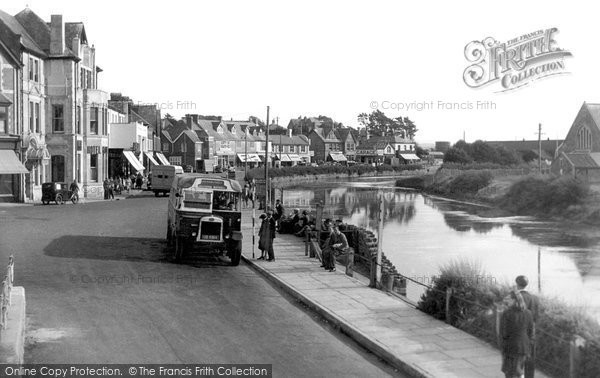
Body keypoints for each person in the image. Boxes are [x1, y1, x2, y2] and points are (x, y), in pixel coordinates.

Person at [500, 290, 534, 378]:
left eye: (509, 299)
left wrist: (502, 345)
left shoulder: (507, 313)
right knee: (517, 368)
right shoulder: (528, 313)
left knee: (512, 371)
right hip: (524, 346)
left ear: (514, 300)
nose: (507, 301)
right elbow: (531, 332)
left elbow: (504, 332)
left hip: (511, 345)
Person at [516, 275, 539, 378]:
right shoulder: (535, 298)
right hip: (531, 333)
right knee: (530, 359)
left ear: (517, 284)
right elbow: (536, 317)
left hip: (518, 333)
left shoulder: (515, 298)